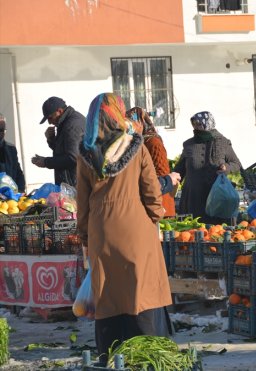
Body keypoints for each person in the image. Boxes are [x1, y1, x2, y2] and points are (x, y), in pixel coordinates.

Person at [76, 93, 172, 365]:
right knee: (140, 291)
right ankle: (146, 357)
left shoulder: (85, 152)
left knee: (107, 294)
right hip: (136, 229)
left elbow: (81, 203)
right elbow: (152, 193)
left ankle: (110, 358)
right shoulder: (136, 146)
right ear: (118, 113)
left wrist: (86, 234)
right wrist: (155, 217)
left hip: (101, 231)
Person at [173, 111, 242, 224]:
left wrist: (226, 167)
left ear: (207, 123)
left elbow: (236, 163)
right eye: (194, 124)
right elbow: (179, 170)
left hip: (215, 197)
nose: (195, 127)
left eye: (199, 124)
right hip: (193, 199)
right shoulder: (188, 144)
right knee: (192, 233)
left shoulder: (223, 142)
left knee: (216, 232)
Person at [127, 107, 180, 217]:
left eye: (132, 123)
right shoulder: (136, 142)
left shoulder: (153, 142)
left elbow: (162, 172)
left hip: (161, 202)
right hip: (150, 198)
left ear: (141, 122)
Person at [32, 96, 85, 186]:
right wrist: (51, 139)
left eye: (50, 118)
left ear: (59, 111)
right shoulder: (66, 122)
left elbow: (73, 158)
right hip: (73, 181)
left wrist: (46, 162)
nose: (49, 122)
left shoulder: (71, 125)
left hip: (75, 184)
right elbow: (63, 150)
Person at [0, 113, 26, 192]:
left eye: (2, 129)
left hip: (11, 197)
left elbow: (18, 172)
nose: (1, 132)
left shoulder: (11, 149)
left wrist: (21, 190)